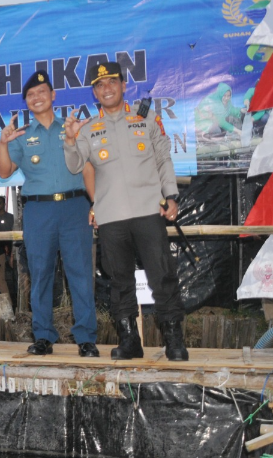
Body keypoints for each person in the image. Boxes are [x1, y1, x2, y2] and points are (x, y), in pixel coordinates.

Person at [64, 62, 188, 361]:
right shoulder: (88, 128)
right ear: (94, 93)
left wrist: (171, 195)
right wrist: (69, 139)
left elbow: (163, 160)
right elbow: (75, 165)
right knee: (119, 282)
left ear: (123, 85)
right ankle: (130, 341)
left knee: (163, 277)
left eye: (111, 82)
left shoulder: (146, 119)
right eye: (99, 85)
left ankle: (174, 341)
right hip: (111, 217)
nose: (106, 89)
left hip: (149, 211)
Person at [0, 71, 99, 357]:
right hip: (39, 210)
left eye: (42, 92)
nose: (37, 98)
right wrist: (3, 143)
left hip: (74, 207)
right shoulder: (21, 135)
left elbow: (89, 168)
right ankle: (42, 335)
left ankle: (86, 338)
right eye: (30, 95)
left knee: (79, 273)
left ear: (53, 96)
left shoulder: (71, 128)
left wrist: (96, 204)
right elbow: (4, 171)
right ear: (26, 102)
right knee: (40, 274)